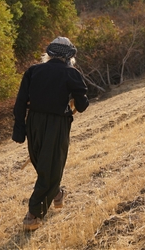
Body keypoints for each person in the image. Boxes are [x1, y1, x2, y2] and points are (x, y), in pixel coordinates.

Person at [12, 36, 90, 231]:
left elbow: (20, 102)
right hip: (57, 124)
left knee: (44, 165)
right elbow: (82, 105)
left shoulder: (33, 71)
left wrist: (19, 129)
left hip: (33, 123)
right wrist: (77, 97)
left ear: (49, 54)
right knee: (48, 168)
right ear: (69, 57)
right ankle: (39, 211)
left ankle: (42, 206)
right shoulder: (71, 73)